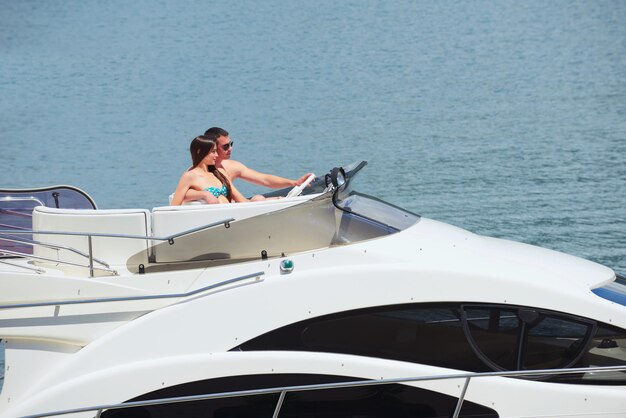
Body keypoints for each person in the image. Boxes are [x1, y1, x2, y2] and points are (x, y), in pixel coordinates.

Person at [204, 127, 313, 189]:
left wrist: (293, 183)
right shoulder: (199, 171)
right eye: (226, 146)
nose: (231, 148)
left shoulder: (232, 166)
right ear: (212, 147)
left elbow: (264, 179)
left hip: (232, 210)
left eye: (231, 144)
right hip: (218, 217)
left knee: (258, 198)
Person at [171, 135, 249, 205]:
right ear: (199, 152)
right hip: (214, 218)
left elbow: (240, 199)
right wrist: (204, 194)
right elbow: (175, 205)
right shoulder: (190, 176)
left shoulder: (220, 173)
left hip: (230, 216)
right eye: (213, 152)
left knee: (258, 198)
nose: (217, 155)